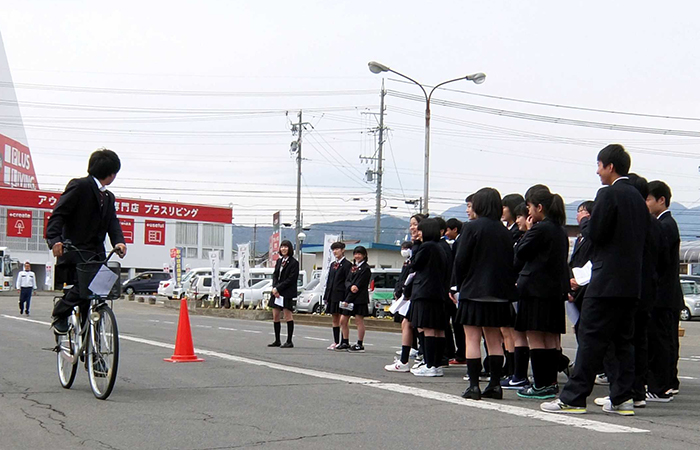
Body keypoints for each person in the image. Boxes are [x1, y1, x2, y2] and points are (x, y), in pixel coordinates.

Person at [542, 144, 649, 416]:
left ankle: (574, 398)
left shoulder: (608, 193)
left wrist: (587, 221)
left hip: (606, 282)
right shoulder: (638, 198)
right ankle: (623, 398)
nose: (598, 171)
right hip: (630, 283)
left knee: (590, 338)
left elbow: (597, 234)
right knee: (623, 341)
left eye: (599, 165)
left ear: (610, 166)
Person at [47, 148, 127, 334]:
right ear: (112, 174)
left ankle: (93, 353)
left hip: (96, 253)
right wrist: (55, 240)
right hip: (75, 250)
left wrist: (119, 241)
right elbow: (58, 215)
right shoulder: (80, 186)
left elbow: (112, 223)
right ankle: (61, 311)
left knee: (100, 293)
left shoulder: (108, 197)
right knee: (86, 286)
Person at [453, 188, 518, 399]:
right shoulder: (505, 231)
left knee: (472, 338)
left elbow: (460, 260)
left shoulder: (471, 228)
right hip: (499, 293)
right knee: (494, 339)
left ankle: (473, 386)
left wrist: (459, 285)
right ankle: (496, 385)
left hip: (474, 291)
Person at [514, 185, 569, 400]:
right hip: (553, 290)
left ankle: (540, 384)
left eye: (529, 207)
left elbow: (520, 253)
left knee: (535, 337)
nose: (528, 212)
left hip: (535, 289)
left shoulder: (539, 229)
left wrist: (527, 231)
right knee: (548, 338)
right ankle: (549, 383)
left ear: (539, 207)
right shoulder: (559, 230)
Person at [646, 180, 682, 399]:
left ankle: (661, 387)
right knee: (665, 340)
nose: (646, 203)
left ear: (662, 200)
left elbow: (660, 261)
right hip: (666, 294)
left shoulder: (665, 225)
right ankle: (668, 383)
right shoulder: (665, 224)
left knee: (660, 342)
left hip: (662, 294)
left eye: (649, 199)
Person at [409, 218, 450, 377]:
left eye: (420, 230)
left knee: (426, 328)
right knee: (437, 329)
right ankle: (436, 364)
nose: (417, 232)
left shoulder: (426, 246)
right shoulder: (440, 247)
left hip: (425, 291)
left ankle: (429, 363)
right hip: (437, 292)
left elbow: (415, 264)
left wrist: (416, 244)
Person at [385, 215, 425, 371]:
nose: (412, 228)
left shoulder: (424, 247)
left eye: (415, 225)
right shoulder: (417, 247)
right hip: (411, 293)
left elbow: (416, 270)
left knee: (420, 326)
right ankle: (407, 359)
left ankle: (421, 358)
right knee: (407, 323)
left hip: (420, 292)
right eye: (411, 225)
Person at [501, 202, 532, 389]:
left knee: (515, 332)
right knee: (509, 331)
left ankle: (517, 373)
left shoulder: (525, 235)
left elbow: (517, 258)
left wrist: (528, 232)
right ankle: (513, 371)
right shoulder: (518, 234)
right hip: (516, 286)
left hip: (521, 287)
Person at [337, 246, 372, 353]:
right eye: (355, 254)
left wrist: (353, 288)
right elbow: (347, 280)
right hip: (349, 296)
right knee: (343, 320)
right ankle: (345, 341)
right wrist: (350, 286)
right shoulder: (353, 267)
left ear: (364, 255)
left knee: (358, 321)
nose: (357, 256)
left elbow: (359, 285)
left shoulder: (366, 268)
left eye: (359, 254)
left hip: (359, 298)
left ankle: (360, 343)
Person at [268, 240, 299, 348]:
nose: (284, 249)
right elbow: (275, 275)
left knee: (287, 316)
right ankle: (277, 340)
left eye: (286, 247)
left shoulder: (294, 263)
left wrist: (278, 288)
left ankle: (289, 341)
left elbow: (291, 279)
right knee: (275, 315)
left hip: (287, 292)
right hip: (277, 292)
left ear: (289, 248)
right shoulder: (279, 261)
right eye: (282, 247)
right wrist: (274, 288)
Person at [323, 241, 352, 350]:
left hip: (342, 295)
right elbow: (329, 281)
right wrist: (326, 296)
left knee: (342, 320)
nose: (335, 251)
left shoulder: (347, 264)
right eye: (333, 249)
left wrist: (347, 297)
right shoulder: (332, 265)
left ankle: (344, 341)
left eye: (337, 249)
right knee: (334, 318)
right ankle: (335, 341)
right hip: (332, 295)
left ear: (343, 250)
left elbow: (347, 281)